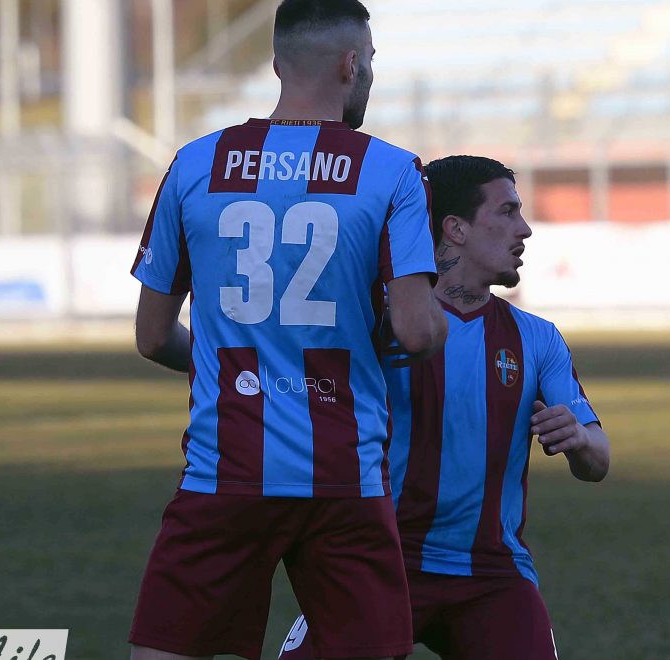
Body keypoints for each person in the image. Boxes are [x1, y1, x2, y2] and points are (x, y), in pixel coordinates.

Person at [127, 1, 447, 659]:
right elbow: (417, 333)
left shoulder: (193, 164)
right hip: (344, 477)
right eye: (371, 61)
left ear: (277, 64)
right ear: (350, 64)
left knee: (165, 649)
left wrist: (232, 366)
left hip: (225, 468)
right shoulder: (392, 171)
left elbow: (153, 336)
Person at [278, 156, 611, 660]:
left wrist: (580, 438)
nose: (524, 229)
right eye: (508, 211)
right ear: (455, 228)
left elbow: (598, 462)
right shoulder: (377, 324)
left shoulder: (537, 339)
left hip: (492, 574)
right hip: (379, 561)